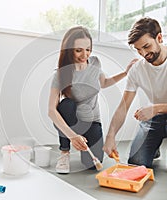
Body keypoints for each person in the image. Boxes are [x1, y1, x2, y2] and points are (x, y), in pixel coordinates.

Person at [103, 17, 167, 174]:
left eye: (146, 46)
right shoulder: (137, 69)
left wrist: (157, 108)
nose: (143, 54)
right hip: (154, 119)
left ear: (159, 38)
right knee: (136, 163)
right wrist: (110, 136)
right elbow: (123, 107)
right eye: (138, 50)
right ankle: (153, 145)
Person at [48, 26, 138, 174]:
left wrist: (125, 73)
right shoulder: (61, 74)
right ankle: (64, 153)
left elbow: (104, 83)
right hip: (72, 121)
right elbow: (51, 111)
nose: (85, 54)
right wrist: (73, 136)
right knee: (66, 105)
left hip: (92, 121)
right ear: (69, 49)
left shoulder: (95, 62)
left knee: (91, 165)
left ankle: (87, 151)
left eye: (88, 49)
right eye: (79, 50)